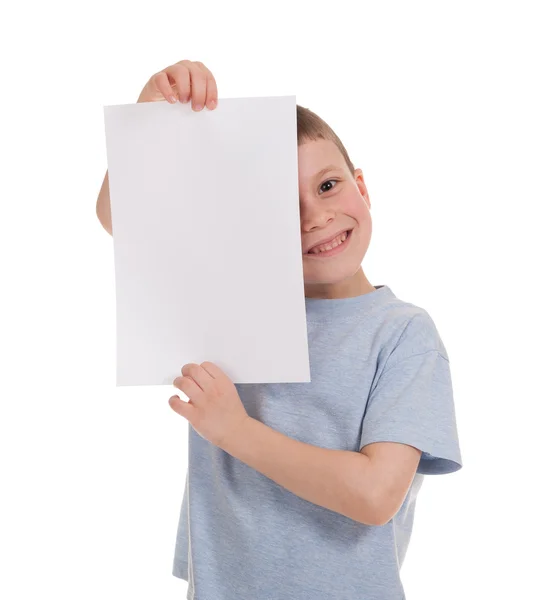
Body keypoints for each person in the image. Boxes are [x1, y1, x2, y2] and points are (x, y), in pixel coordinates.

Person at [96, 59, 463, 600]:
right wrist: (151, 115)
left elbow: (376, 493)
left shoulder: (403, 334)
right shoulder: (229, 300)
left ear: (361, 187)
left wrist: (234, 431)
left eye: (329, 186)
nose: (314, 217)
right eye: (284, 206)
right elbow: (126, 218)